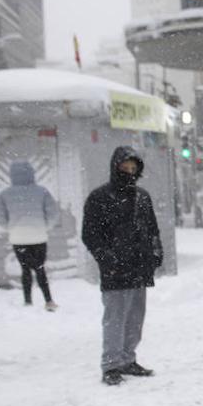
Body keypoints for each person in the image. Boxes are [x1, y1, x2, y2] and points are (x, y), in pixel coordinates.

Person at [81, 147, 163, 385]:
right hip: (115, 268)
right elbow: (90, 235)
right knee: (115, 317)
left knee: (135, 317)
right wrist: (106, 258)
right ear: (115, 167)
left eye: (133, 168)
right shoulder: (100, 197)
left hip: (139, 266)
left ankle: (127, 358)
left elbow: (152, 229)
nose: (129, 172)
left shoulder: (142, 197)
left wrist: (156, 253)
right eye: (124, 168)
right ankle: (110, 364)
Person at [0, 159, 59, 310]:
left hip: (18, 238)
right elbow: (53, 213)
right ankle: (48, 300)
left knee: (25, 269)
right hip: (38, 236)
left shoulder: (5, 194)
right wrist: (45, 227)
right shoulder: (42, 191)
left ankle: (28, 301)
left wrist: (10, 228)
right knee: (40, 268)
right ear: (32, 173)